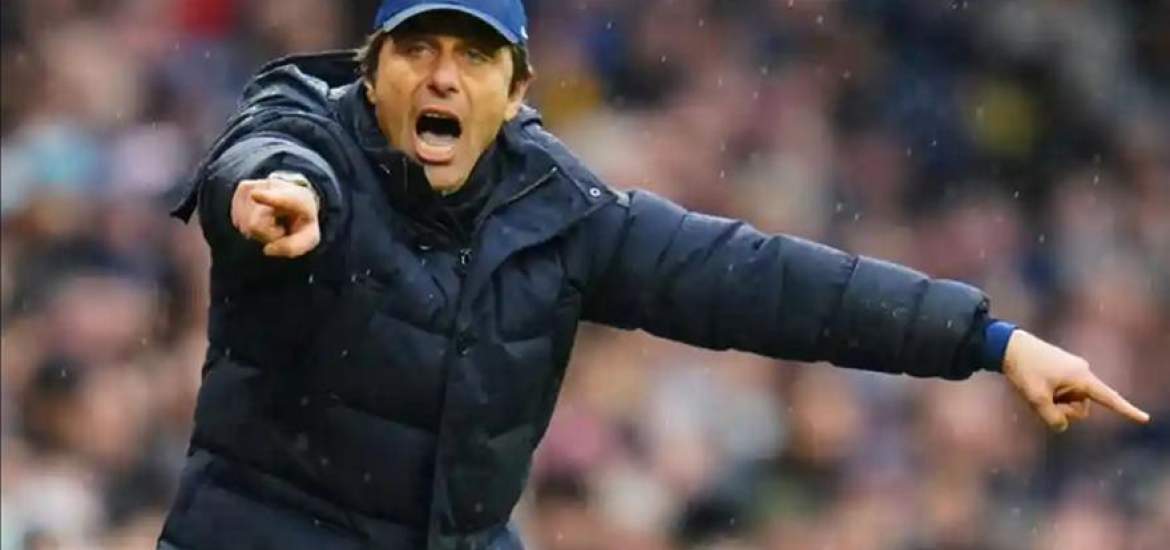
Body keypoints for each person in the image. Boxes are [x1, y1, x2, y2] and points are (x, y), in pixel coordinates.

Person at [159, 1, 1151, 548]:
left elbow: (766, 285)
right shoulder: (308, 142)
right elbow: (265, 157)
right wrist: (265, 198)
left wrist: (989, 341)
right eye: (417, 47)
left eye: (475, 54)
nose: (444, 75)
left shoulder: (561, 210)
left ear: (518, 88)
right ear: (372, 67)